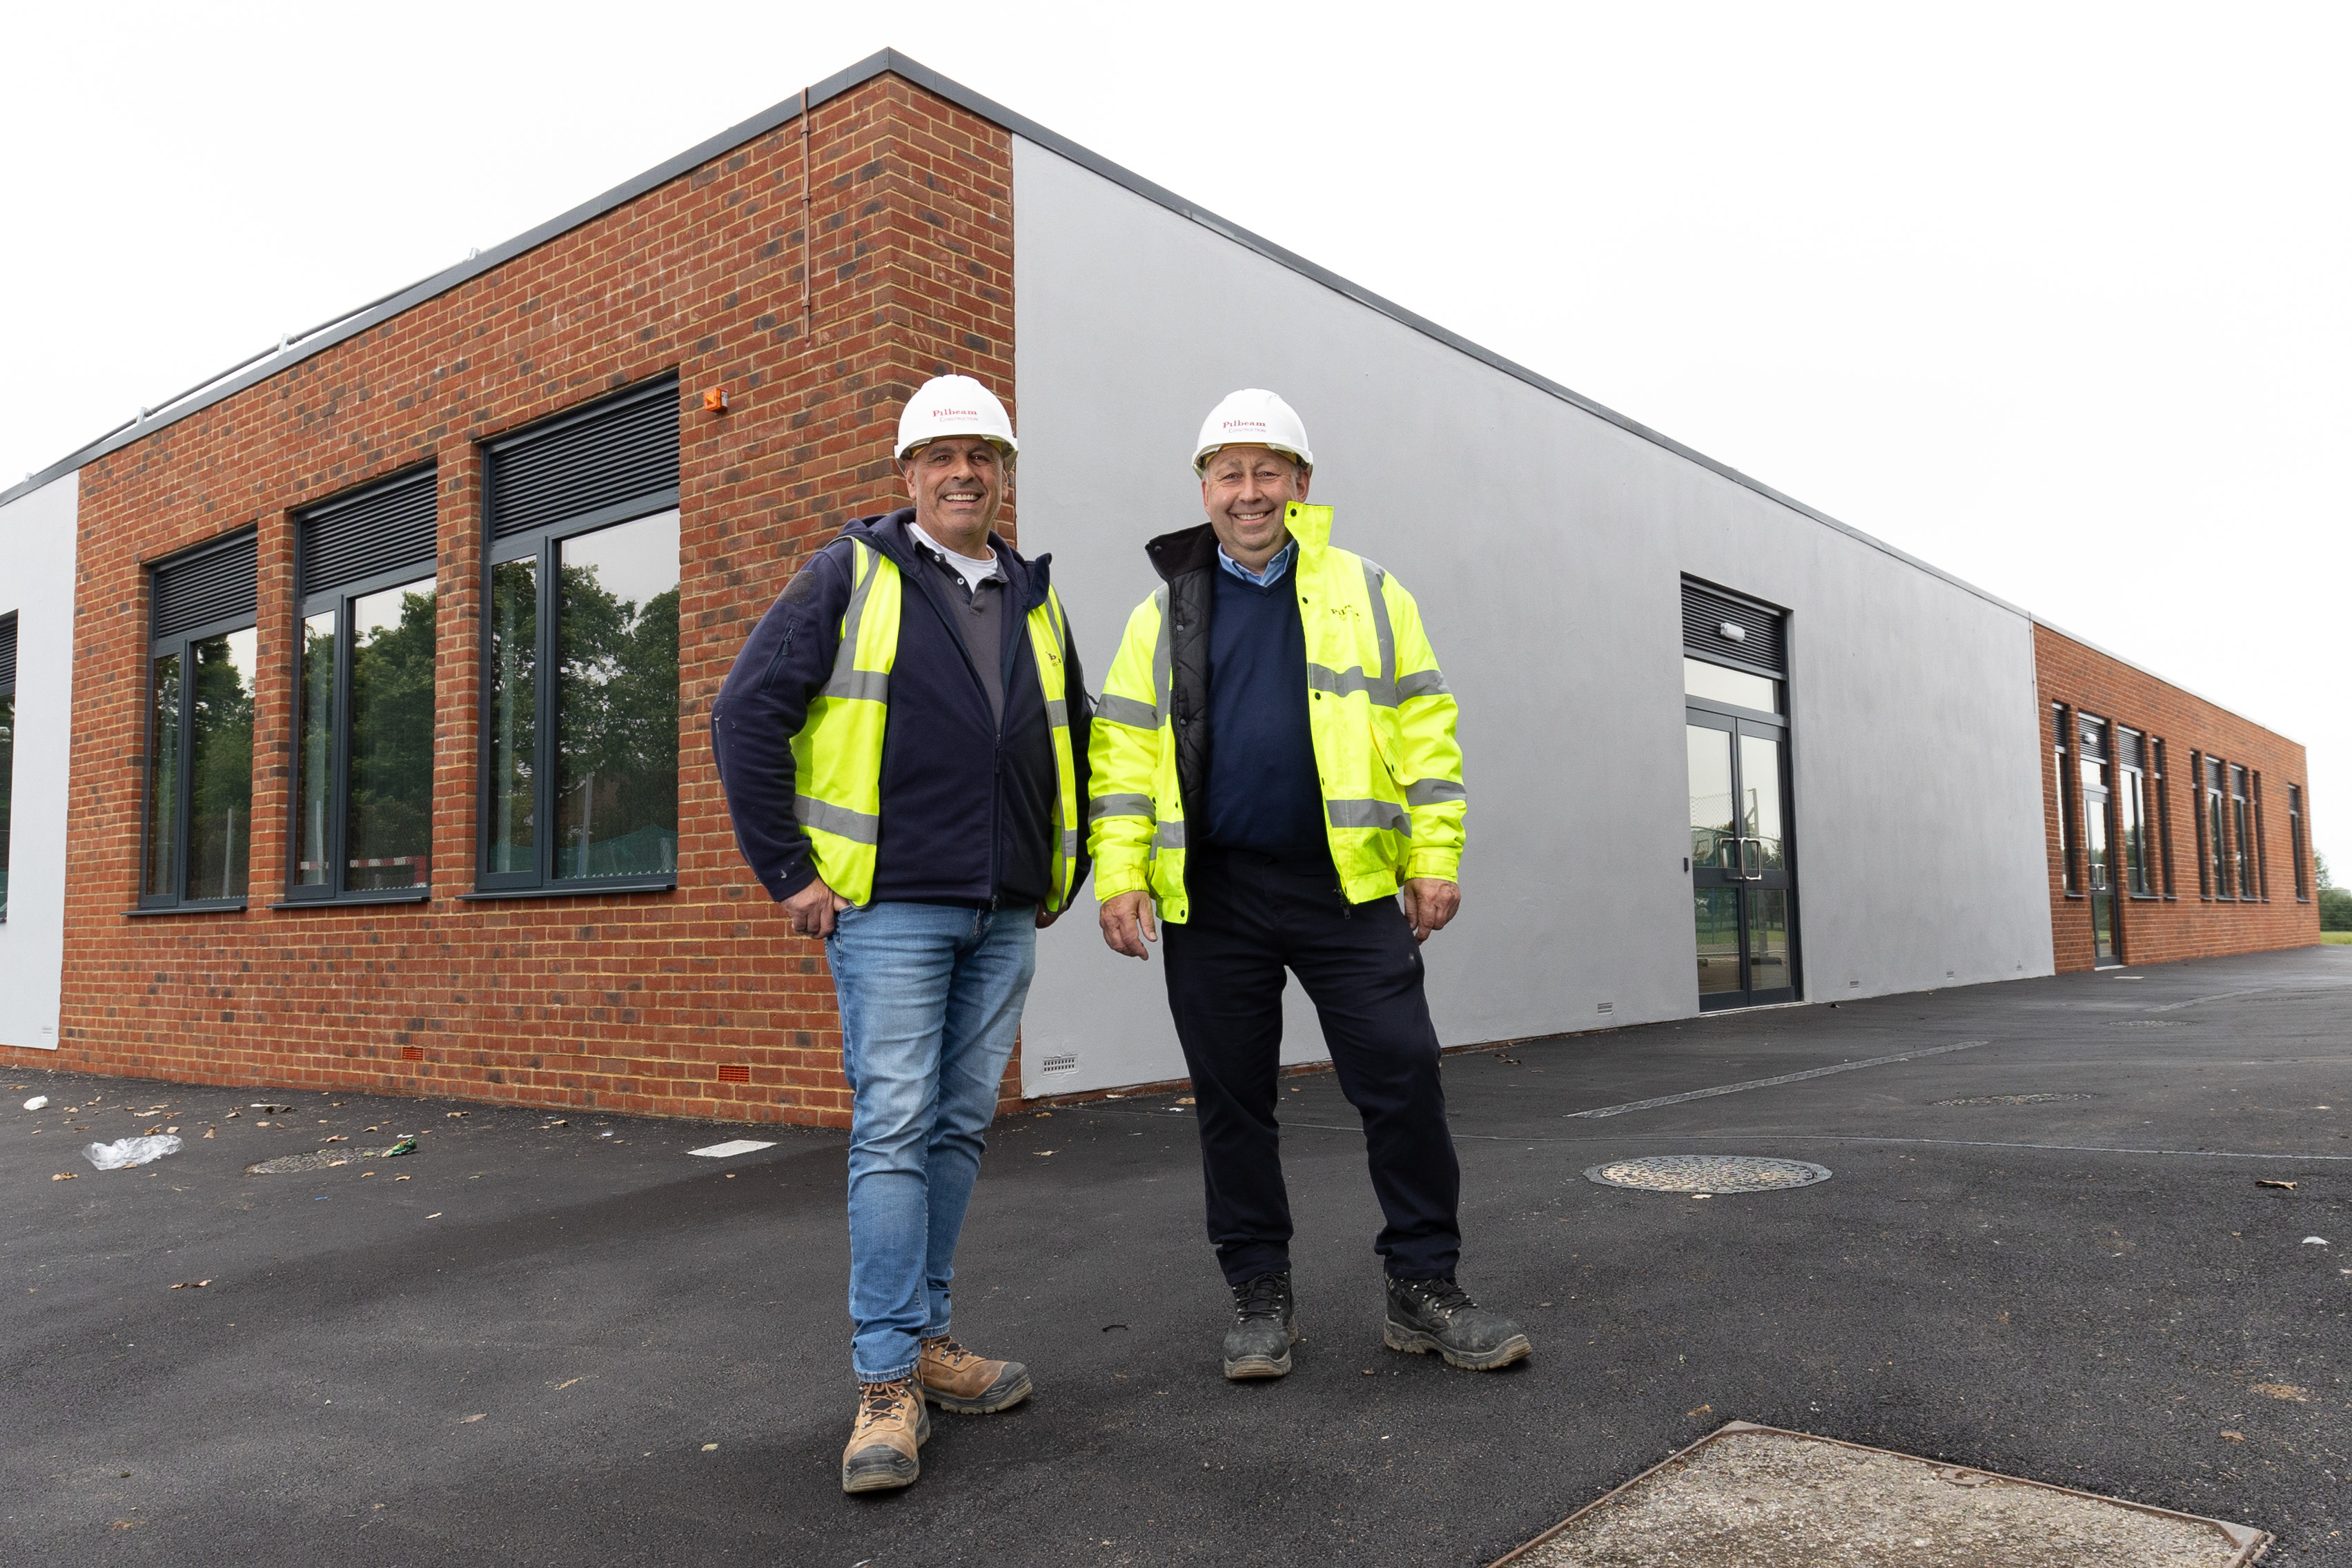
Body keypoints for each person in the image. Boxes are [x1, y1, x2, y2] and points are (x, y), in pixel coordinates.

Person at [1088, 389, 1529, 1380]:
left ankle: (1424, 1285)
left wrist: (1436, 855)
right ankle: (1259, 1295)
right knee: (1233, 1102)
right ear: (1204, 488)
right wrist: (1119, 875)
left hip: (1348, 888)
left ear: (1302, 483)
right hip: (1213, 896)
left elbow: (1428, 728)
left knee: (1403, 1075)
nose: (1248, 492)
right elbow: (1120, 753)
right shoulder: (1161, 614)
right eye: (1229, 475)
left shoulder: (1369, 591)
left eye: (1267, 472)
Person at [712, 373, 1089, 1493]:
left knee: (958, 1127)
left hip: (1005, 908)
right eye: (942, 456)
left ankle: (927, 1339)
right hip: (891, 909)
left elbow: (1070, 739)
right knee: (893, 1129)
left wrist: (1059, 870)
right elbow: (743, 714)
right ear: (907, 473)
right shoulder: (850, 573)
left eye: (983, 456)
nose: (964, 473)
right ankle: (884, 1381)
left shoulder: (1034, 594)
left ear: (1003, 472)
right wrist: (790, 873)